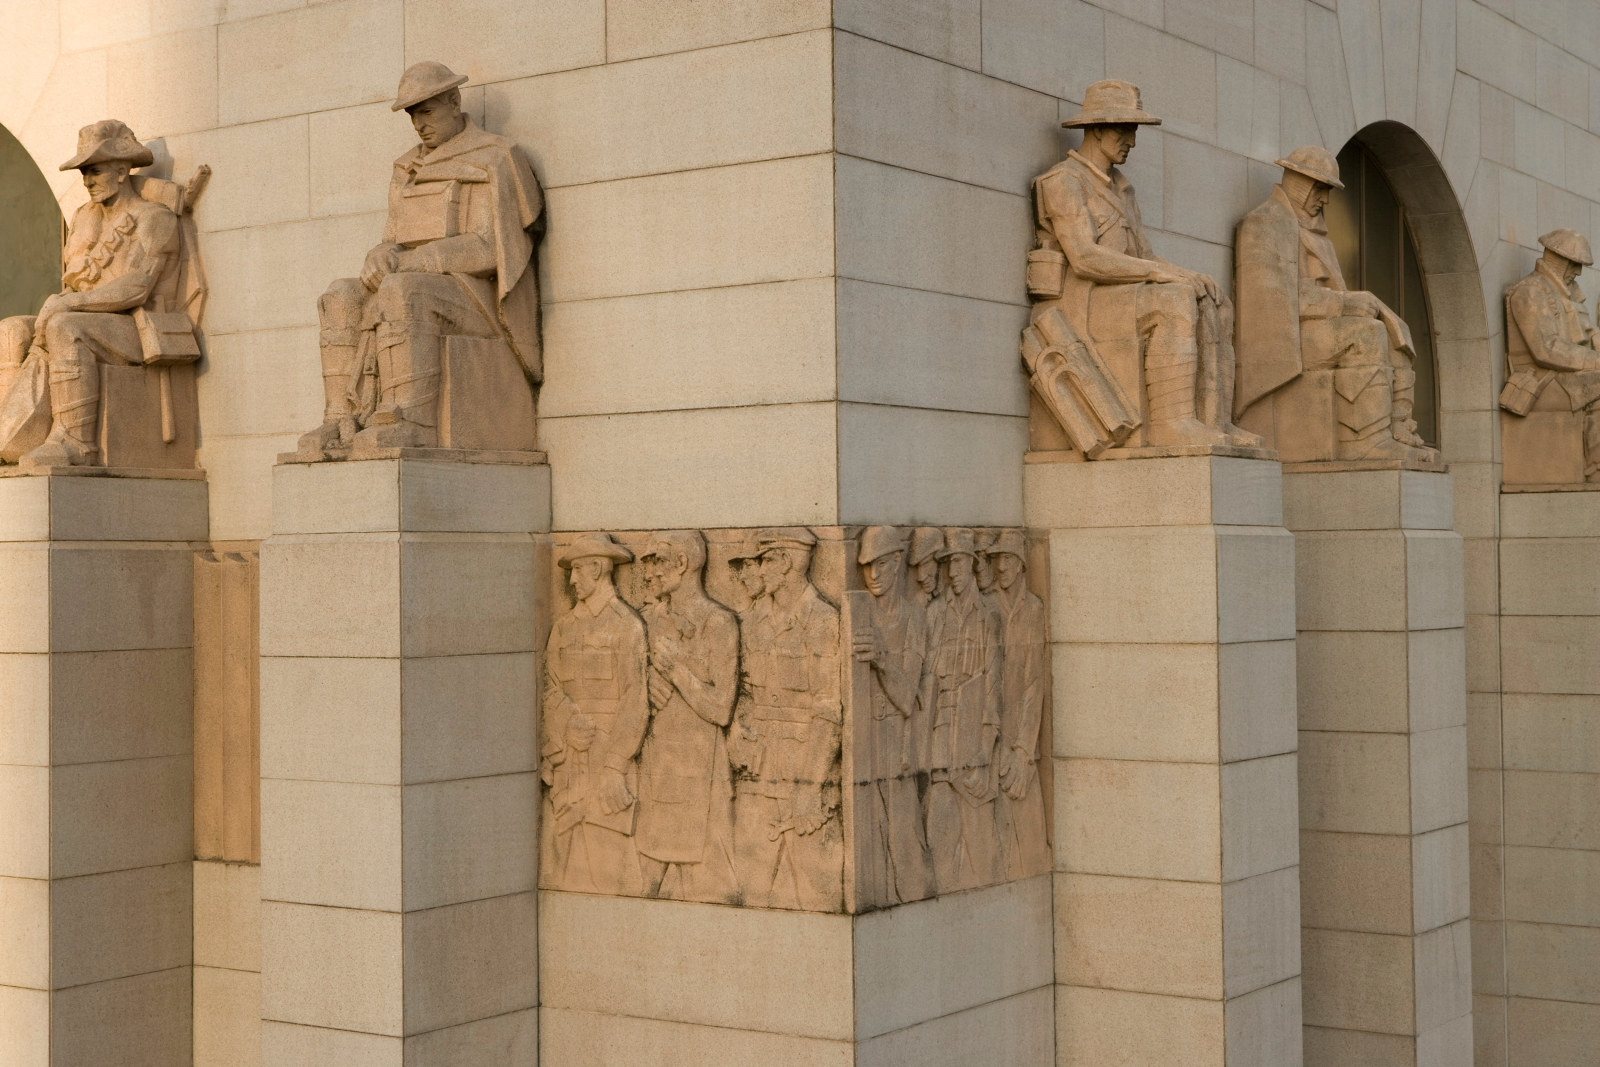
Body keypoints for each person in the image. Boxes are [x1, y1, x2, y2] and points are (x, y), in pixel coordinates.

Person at [297, 60, 543, 457]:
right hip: (416, 283)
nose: (419, 124)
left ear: (453, 101)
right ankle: (339, 417)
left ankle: (409, 420)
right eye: (413, 115)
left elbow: (490, 248)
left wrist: (418, 260)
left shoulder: (494, 158)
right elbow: (392, 239)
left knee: (402, 289)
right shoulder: (407, 167)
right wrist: (379, 253)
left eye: (426, 111)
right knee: (339, 295)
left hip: (474, 297)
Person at [1027, 79, 1258, 452]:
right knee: (1174, 302)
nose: (1131, 141)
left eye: (1133, 130)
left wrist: (1183, 273)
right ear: (1098, 129)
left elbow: (1145, 257)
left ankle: (1217, 422)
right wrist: (1156, 274)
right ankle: (1173, 423)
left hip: (1121, 296)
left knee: (1213, 298)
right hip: (1083, 303)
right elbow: (1084, 258)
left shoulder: (1122, 189)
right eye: (1124, 129)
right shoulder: (1063, 182)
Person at [0, 120, 200, 468]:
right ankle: (12, 437)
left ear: (122, 171)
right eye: (84, 174)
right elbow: (75, 282)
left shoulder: (153, 218)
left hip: (137, 328)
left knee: (67, 327)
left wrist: (71, 303)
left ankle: (76, 441)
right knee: (13, 330)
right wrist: (63, 302)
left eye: (94, 171)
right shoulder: (84, 218)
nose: (87, 181)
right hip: (92, 320)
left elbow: (136, 287)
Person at [1234, 145, 1435, 461]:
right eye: (1321, 188)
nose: (1324, 199)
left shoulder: (1317, 236)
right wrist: (1346, 304)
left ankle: (1398, 427)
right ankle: (1366, 441)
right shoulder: (1265, 223)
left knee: (1391, 333)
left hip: (1315, 332)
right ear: (1301, 183)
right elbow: (1274, 301)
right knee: (1365, 335)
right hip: (1284, 340)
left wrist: (1353, 305)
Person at [730, 527, 844, 910]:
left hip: (803, 780)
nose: (757, 570)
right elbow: (743, 693)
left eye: (764, 560)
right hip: (756, 776)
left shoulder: (822, 620)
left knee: (818, 892)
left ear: (786, 562)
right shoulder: (752, 620)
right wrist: (735, 730)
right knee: (750, 889)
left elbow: (829, 710)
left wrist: (810, 787)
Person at [635, 532, 741, 903]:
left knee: (713, 894)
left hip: (702, 780)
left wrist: (677, 671)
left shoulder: (718, 623)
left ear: (681, 564)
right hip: (654, 774)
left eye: (655, 562)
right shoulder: (645, 619)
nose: (646, 573)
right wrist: (646, 684)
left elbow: (721, 708)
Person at [541, 533, 648, 895]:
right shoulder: (564, 627)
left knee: (611, 866)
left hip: (607, 766)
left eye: (577, 571)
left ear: (599, 568)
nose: (571, 580)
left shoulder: (626, 625)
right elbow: (549, 686)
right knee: (565, 862)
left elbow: (636, 700)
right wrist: (566, 723)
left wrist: (615, 767)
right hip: (570, 768)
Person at [852, 526, 934, 906]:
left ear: (898, 561)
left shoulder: (914, 619)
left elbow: (907, 698)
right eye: (866, 566)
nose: (872, 575)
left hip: (898, 750)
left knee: (904, 840)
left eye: (881, 564)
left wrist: (882, 659)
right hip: (864, 746)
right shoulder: (856, 613)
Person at [924, 528, 1004, 891]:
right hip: (941, 733)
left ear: (971, 564)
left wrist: (986, 749)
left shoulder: (988, 614)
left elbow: (993, 687)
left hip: (974, 737)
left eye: (957, 562)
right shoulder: (934, 613)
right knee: (940, 833)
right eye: (947, 564)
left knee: (979, 842)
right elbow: (925, 679)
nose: (951, 571)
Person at [1500, 229, 1600, 481]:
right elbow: (1546, 349)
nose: (1577, 272)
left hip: (1564, 376)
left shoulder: (1566, 293)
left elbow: (1586, 337)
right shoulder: (1530, 291)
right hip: (1540, 381)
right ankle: (1595, 467)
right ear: (1559, 260)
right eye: (1575, 264)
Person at [988, 530, 1050, 878]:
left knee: (1030, 834)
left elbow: (1033, 684)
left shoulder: (1033, 609)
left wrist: (1025, 750)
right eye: (997, 560)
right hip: (991, 741)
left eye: (1008, 559)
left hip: (1022, 746)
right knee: (998, 840)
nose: (1001, 567)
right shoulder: (989, 605)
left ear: (1022, 565)